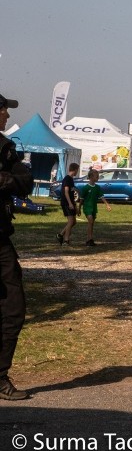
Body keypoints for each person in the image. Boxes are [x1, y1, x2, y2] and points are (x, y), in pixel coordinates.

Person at [0, 94, 34, 401]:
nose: (6, 116)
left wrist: (2, 179)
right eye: (3, 111)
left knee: (13, 307)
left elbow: (26, 183)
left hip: (0, 241)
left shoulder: (5, 148)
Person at [79, 169, 112, 246]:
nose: (98, 178)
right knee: (90, 221)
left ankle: (89, 239)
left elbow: (102, 196)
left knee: (91, 223)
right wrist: (79, 208)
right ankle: (89, 239)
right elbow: (81, 199)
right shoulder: (86, 188)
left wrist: (107, 204)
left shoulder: (97, 187)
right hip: (87, 208)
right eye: (96, 176)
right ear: (91, 177)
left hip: (94, 208)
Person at [56, 162, 80, 245]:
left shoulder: (71, 179)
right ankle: (66, 240)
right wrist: (70, 203)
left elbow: (71, 193)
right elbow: (66, 192)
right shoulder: (67, 179)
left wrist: (75, 206)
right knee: (70, 221)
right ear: (75, 170)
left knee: (74, 222)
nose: (77, 172)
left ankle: (60, 235)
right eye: (77, 170)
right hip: (66, 202)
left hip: (70, 202)